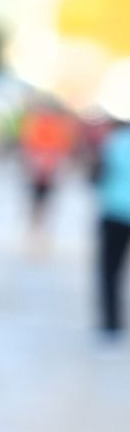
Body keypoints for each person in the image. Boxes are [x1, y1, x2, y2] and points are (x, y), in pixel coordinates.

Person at [19, 99, 77, 247]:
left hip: (48, 169)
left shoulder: (58, 127)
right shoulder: (39, 125)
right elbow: (30, 146)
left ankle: (38, 226)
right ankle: (35, 225)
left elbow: (62, 149)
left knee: (43, 199)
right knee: (37, 198)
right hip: (40, 169)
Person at [95, 118, 130, 343]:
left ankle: (111, 324)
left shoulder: (114, 142)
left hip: (114, 212)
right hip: (115, 210)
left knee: (110, 271)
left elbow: (97, 174)